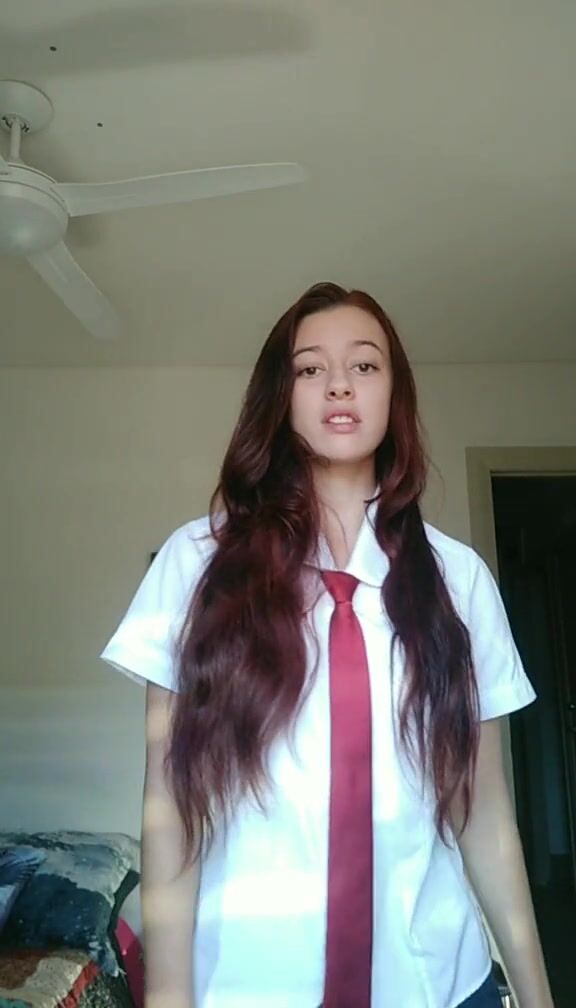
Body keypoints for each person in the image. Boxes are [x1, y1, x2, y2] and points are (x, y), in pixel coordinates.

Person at [101, 282, 553, 1008]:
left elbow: (486, 814)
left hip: (439, 984)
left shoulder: (460, 580)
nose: (339, 384)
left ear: (394, 393)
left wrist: (537, 995)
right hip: (247, 988)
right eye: (310, 368)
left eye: (364, 365)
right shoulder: (197, 565)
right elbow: (170, 806)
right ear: (280, 398)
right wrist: (169, 997)